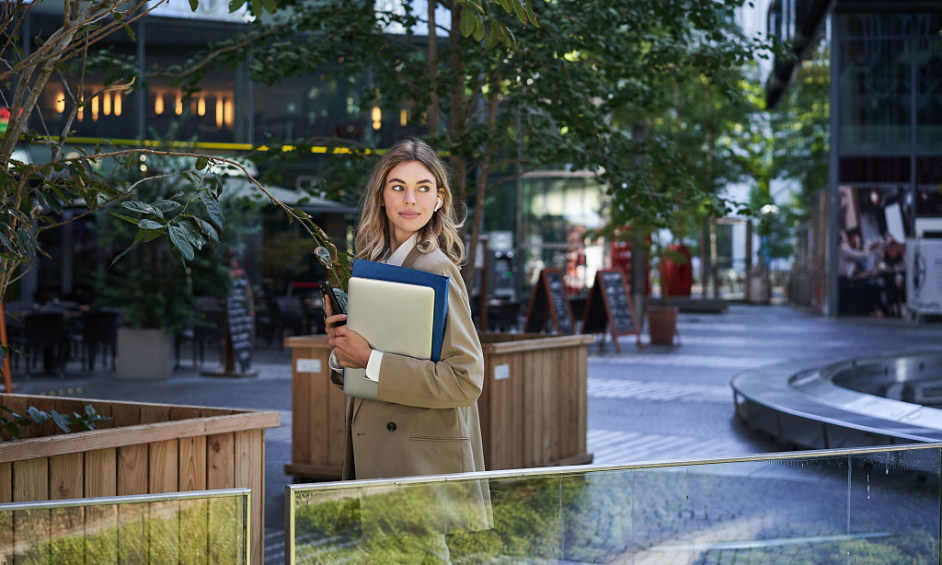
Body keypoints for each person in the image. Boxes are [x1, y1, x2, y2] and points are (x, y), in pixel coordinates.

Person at [324, 138, 491, 563]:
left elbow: (466, 379)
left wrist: (369, 359)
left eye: (423, 188)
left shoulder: (435, 268)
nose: (410, 199)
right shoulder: (378, 262)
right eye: (398, 187)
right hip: (389, 460)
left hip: (416, 466)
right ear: (381, 196)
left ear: (439, 199)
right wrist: (342, 353)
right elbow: (374, 365)